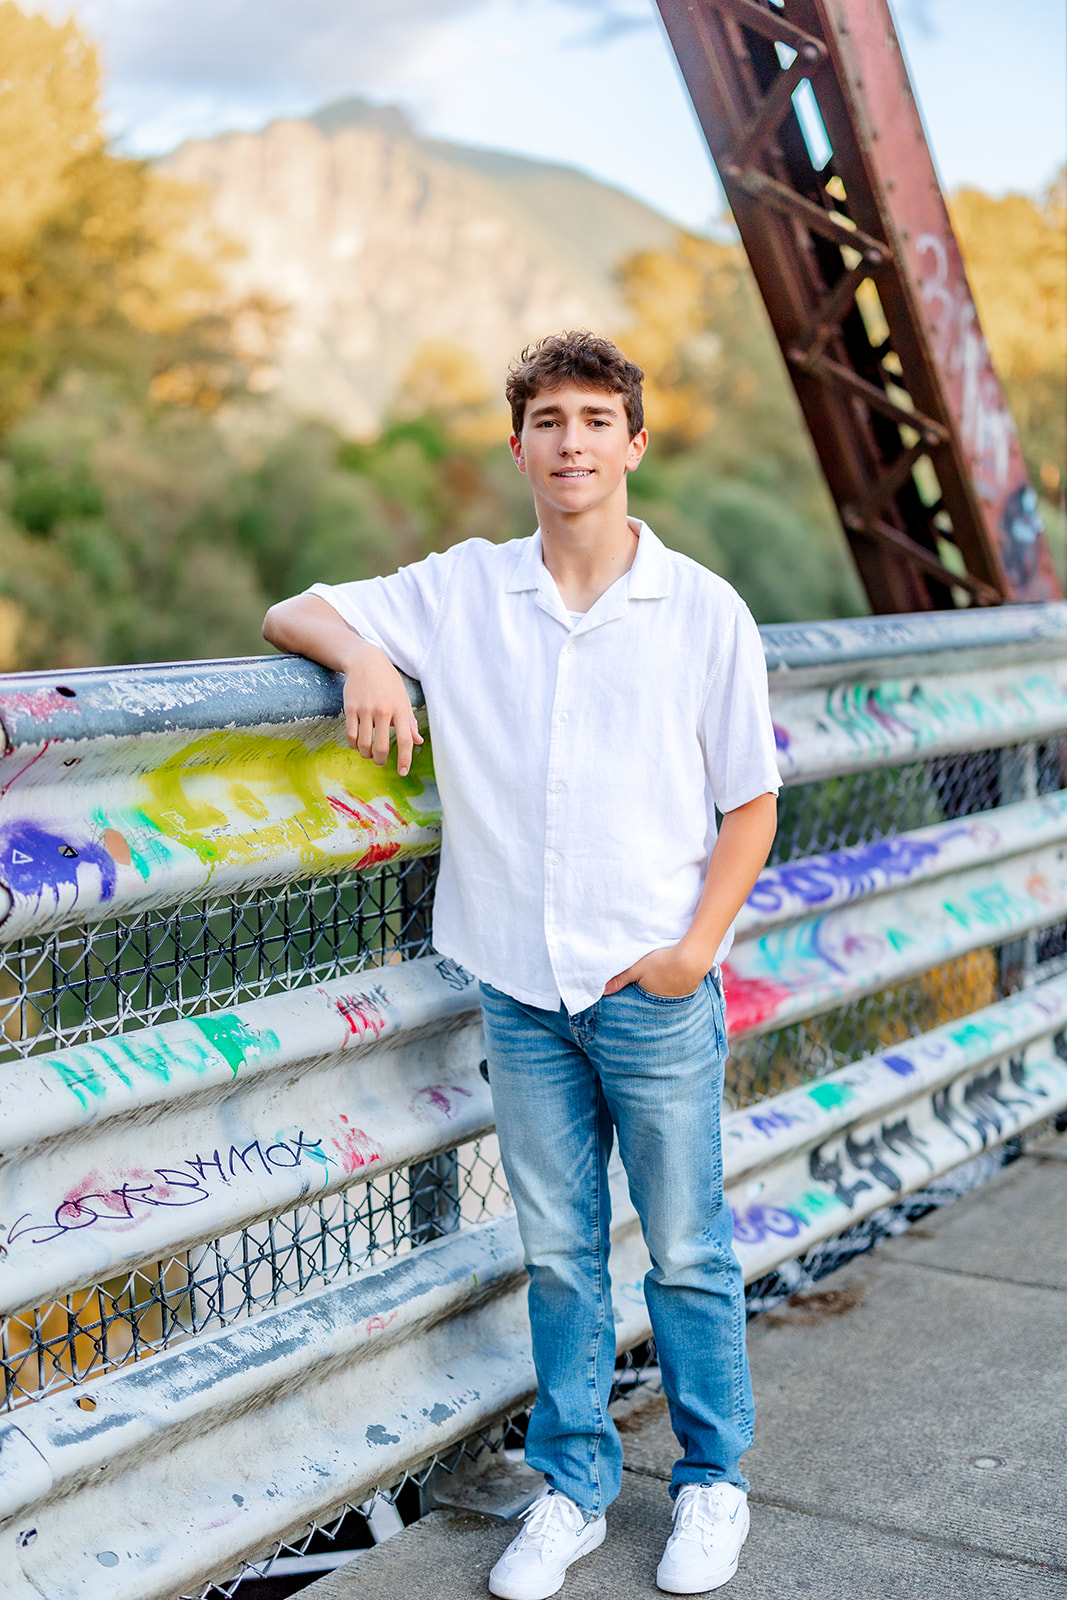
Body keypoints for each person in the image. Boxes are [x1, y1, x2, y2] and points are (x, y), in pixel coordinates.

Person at [262, 331, 781, 1598]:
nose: (571, 442)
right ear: (517, 448)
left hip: (648, 987)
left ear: (633, 444)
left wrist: (689, 956)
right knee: (556, 1249)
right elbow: (292, 609)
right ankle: (576, 1487)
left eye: (597, 420)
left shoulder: (700, 608)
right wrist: (368, 656)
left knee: (687, 1249)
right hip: (517, 987)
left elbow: (750, 805)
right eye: (547, 421)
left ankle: (713, 1484)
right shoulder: (460, 590)